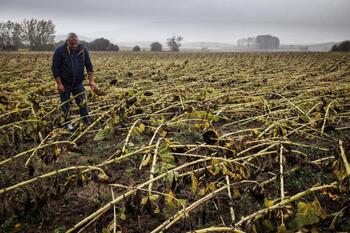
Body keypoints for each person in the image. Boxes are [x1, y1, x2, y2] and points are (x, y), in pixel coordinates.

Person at [51, 33, 97, 130]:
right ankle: (68, 124)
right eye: (72, 44)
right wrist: (59, 84)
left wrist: (91, 81)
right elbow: (55, 68)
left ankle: (85, 121)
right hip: (65, 83)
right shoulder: (60, 51)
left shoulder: (83, 50)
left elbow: (89, 66)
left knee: (83, 103)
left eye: (76, 43)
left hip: (78, 83)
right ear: (67, 42)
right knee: (65, 104)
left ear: (78, 41)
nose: (74, 46)